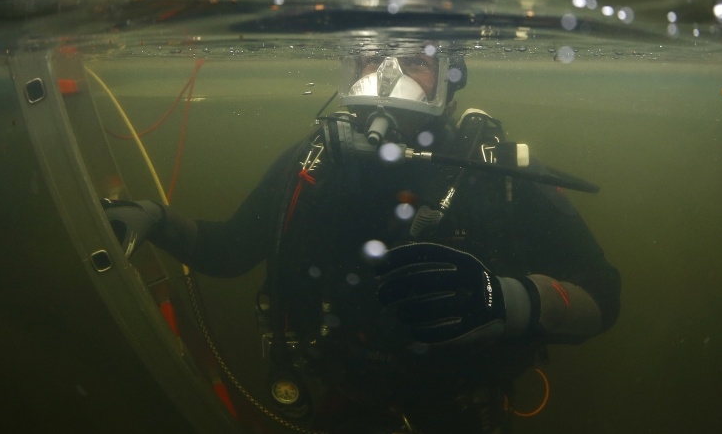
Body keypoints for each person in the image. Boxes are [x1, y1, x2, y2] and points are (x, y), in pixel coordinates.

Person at [104, 47, 621, 434]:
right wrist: (155, 219)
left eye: (416, 62)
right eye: (371, 58)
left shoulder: (495, 171)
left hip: (463, 412)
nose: (389, 77)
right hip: (348, 405)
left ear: (451, 78)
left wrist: (509, 300)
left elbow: (602, 293)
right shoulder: (313, 164)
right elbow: (229, 251)